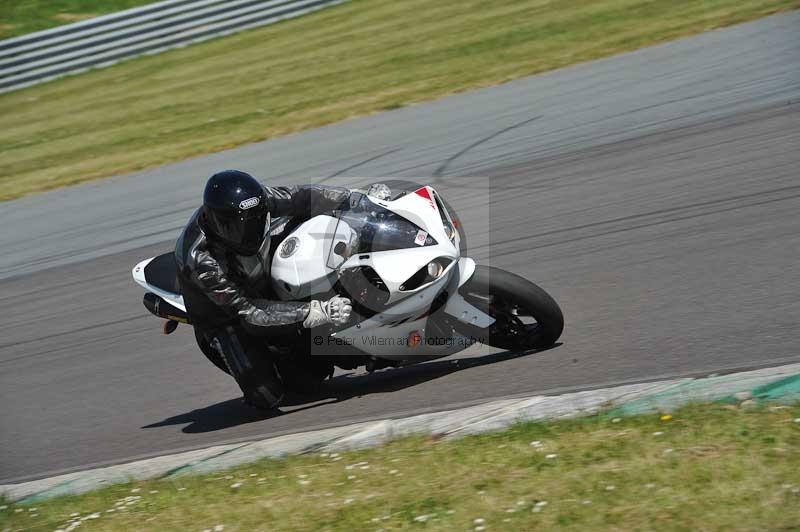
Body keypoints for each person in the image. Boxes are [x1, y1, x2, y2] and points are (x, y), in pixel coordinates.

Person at [175, 170, 353, 409]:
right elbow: (249, 313)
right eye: (237, 227)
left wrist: (353, 199)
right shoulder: (201, 261)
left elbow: (303, 196)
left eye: (256, 220)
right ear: (216, 222)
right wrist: (315, 312)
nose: (248, 232)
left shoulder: (259, 201)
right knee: (268, 396)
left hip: (261, 273)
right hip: (227, 315)